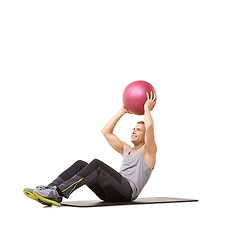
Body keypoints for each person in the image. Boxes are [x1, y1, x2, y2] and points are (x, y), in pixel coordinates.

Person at [23, 92, 157, 206]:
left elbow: (150, 127)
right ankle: (49, 189)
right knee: (80, 164)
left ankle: (58, 193)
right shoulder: (126, 150)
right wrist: (122, 111)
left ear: (145, 136)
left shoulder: (148, 151)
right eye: (133, 129)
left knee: (96, 164)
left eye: (138, 130)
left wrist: (146, 109)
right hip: (112, 191)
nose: (133, 132)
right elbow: (106, 131)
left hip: (127, 192)